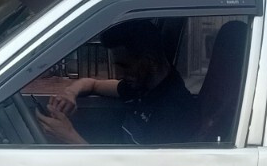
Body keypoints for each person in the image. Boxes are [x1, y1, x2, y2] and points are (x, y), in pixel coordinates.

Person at [36, 20, 199, 145]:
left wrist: (70, 137)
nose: (120, 74)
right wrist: (70, 93)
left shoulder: (174, 111)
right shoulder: (142, 87)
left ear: (149, 61)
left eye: (124, 66)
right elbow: (92, 84)